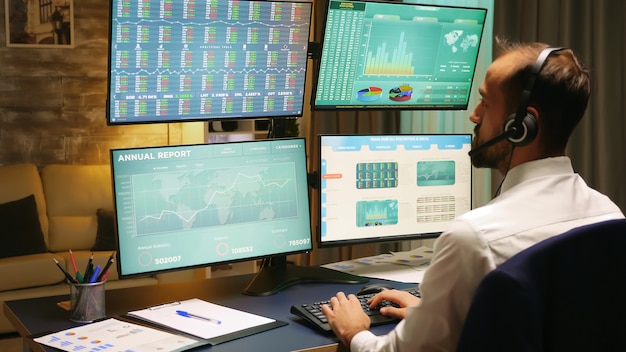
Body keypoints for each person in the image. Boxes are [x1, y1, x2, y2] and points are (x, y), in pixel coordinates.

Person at [321, 38, 625, 352]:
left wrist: (355, 332)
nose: (475, 115)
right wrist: (436, 314)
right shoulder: (609, 215)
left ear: (522, 125)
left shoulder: (474, 238)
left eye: (486, 102)